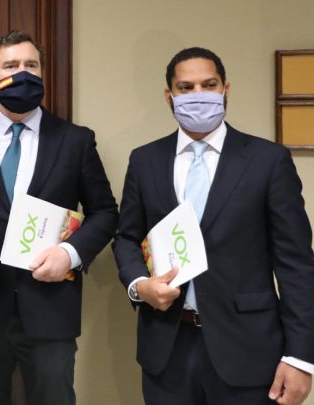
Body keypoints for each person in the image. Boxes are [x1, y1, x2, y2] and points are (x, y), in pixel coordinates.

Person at [113, 47, 314, 405]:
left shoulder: (268, 161)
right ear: (169, 95)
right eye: (186, 87)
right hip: (167, 350)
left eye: (209, 85)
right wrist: (138, 284)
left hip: (249, 351)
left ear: (225, 89)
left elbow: (296, 265)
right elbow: (127, 237)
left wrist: (300, 357)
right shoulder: (145, 160)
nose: (199, 96)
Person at [0, 31, 118, 405]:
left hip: (50, 308)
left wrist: (70, 254)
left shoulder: (75, 140)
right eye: (11, 66)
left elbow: (106, 213)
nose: (22, 72)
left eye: (31, 65)